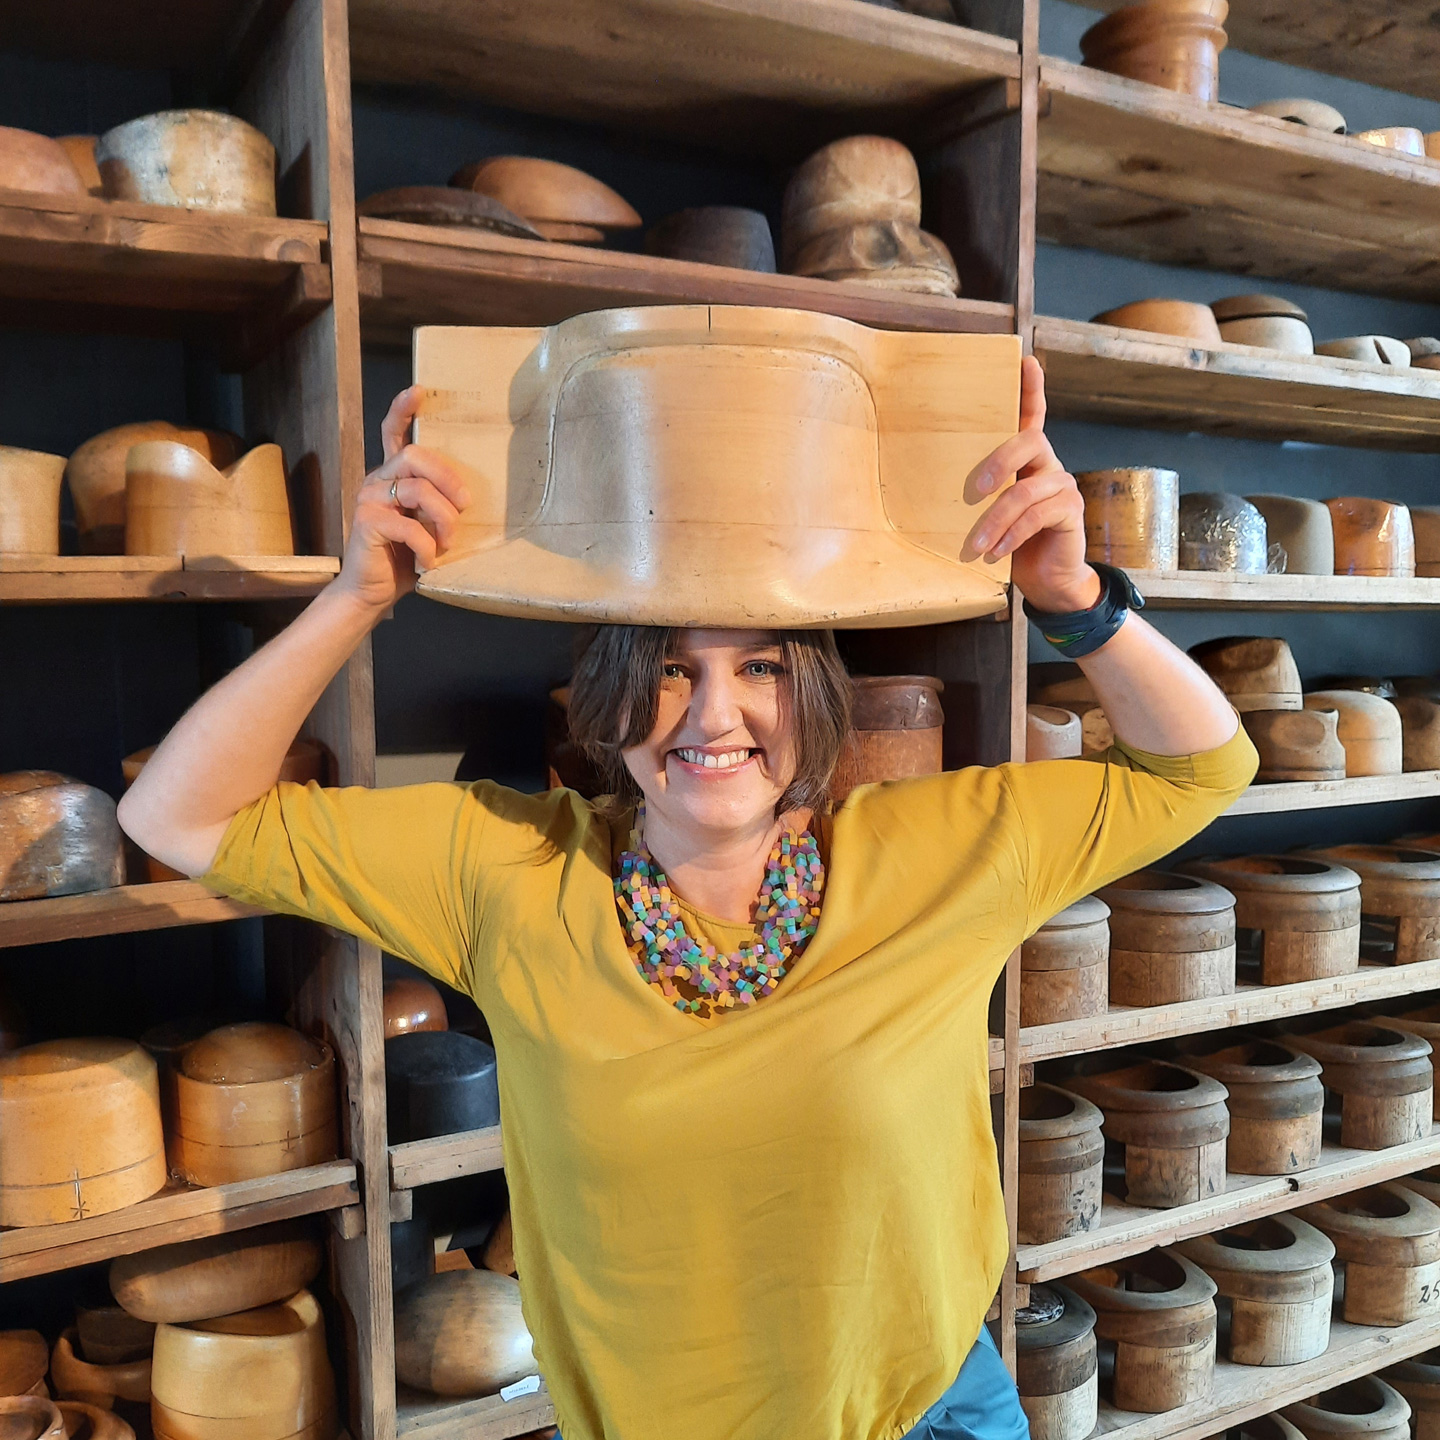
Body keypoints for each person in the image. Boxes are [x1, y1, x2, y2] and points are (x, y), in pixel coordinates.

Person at [120, 357, 1256, 1440]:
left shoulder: (941, 850)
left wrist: (1075, 599)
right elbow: (178, 818)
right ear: (611, 693)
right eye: (670, 666)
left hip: (922, 1414)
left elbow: (1206, 768)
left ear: (812, 691)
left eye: (761, 666)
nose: (714, 718)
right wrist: (356, 596)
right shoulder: (509, 871)